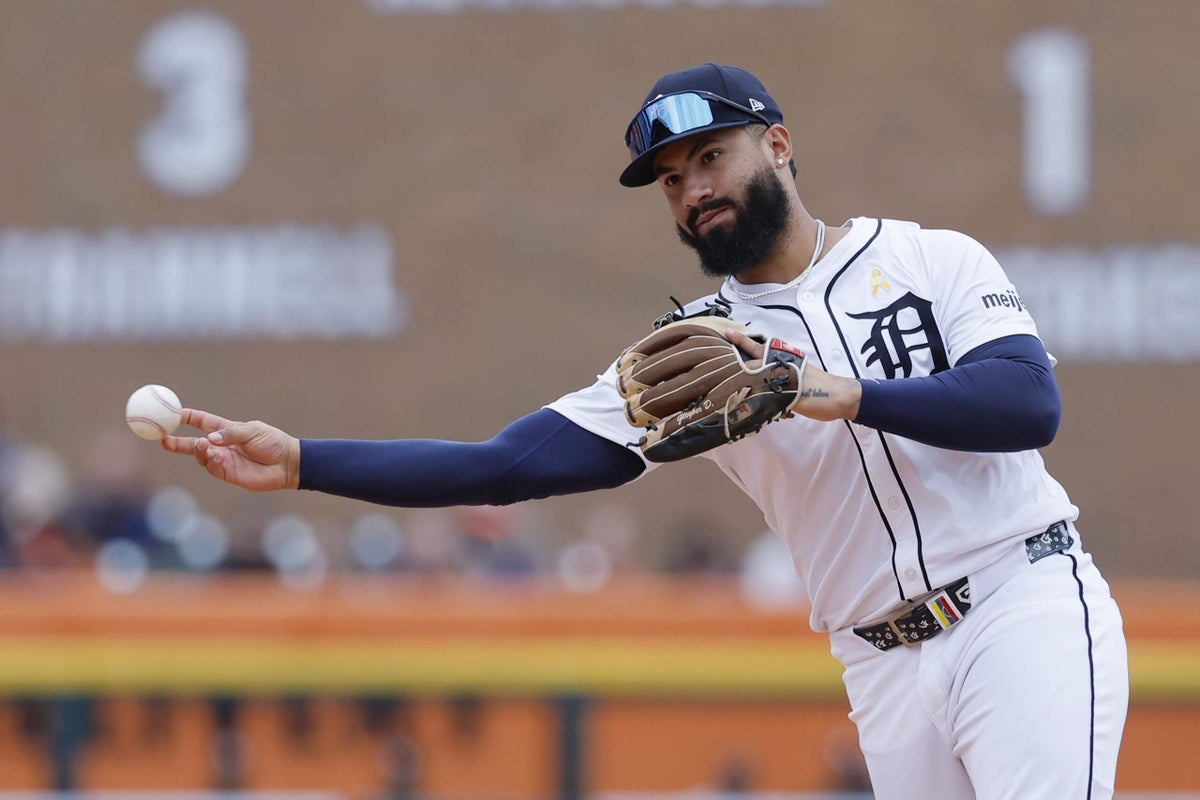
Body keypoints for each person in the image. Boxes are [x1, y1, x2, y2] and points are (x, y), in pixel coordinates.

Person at [163, 63, 1128, 799]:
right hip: (881, 664)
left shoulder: (929, 258)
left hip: (1018, 603)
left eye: (712, 156)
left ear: (780, 145)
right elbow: (507, 465)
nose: (693, 189)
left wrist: (832, 390)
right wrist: (301, 463)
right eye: (670, 180)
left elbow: (1024, 403)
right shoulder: (692, 358)